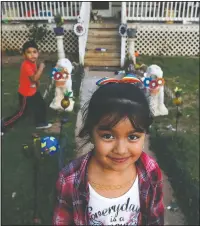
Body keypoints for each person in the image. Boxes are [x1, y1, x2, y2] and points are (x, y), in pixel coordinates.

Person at [53, 77, 164, 225]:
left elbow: (155, 218)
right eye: (108, 136)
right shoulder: (69, 179)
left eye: (132, 137)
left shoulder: (150, 171)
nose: (121, 150)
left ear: (144, 135)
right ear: (90, 134)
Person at [1, 40, 52, 134]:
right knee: (21, 113)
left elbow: (34, 78)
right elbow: (34, 78)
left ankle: (40, 123)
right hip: (26, 94)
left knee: (41, 105)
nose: (32, 55)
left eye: (34, 52)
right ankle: (3, 124)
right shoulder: (26, 65)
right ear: (24, 55)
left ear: (38, 52)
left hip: (33, 91)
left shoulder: (33, 62)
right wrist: (41, 68)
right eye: (29, 52)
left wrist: (37, 83)